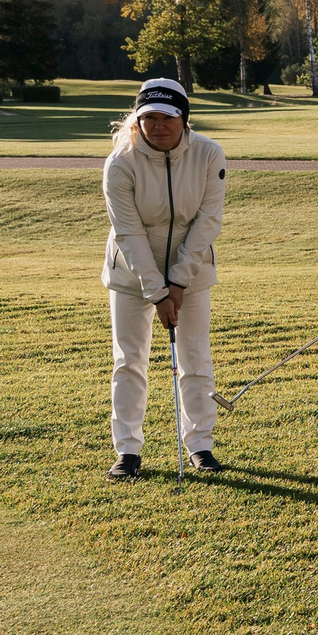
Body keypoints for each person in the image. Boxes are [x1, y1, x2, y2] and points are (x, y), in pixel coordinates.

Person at [100, 78, 225, 481]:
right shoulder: (121, 162)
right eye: (148, 118)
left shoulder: (208, 154)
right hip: (132, 272)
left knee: (195, 356)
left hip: (191, 270)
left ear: (184, 118)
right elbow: (129, 233)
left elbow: (207, 223)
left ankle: (201, 445)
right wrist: (157, 289)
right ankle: (128, 451)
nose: (158, 126)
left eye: (167, 116)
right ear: (137, 122)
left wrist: (178, 282)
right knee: (129, 360)